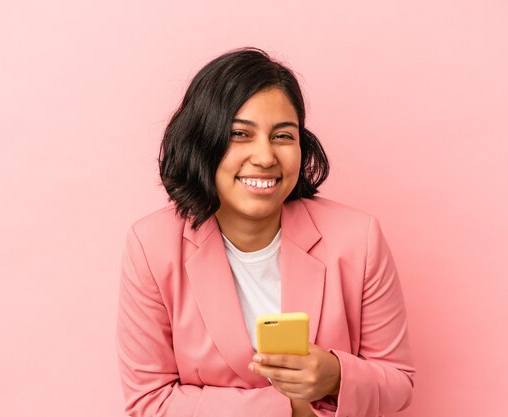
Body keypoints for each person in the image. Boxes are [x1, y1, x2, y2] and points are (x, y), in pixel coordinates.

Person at [116, 47, 415, 417]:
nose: (265, 156)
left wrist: (337, 376)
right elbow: (150, 401)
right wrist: (289, 408)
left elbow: (399, 382)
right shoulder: (152, 246)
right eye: (240, 133)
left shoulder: (358, 238)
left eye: (283, 136)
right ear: (202, 141)